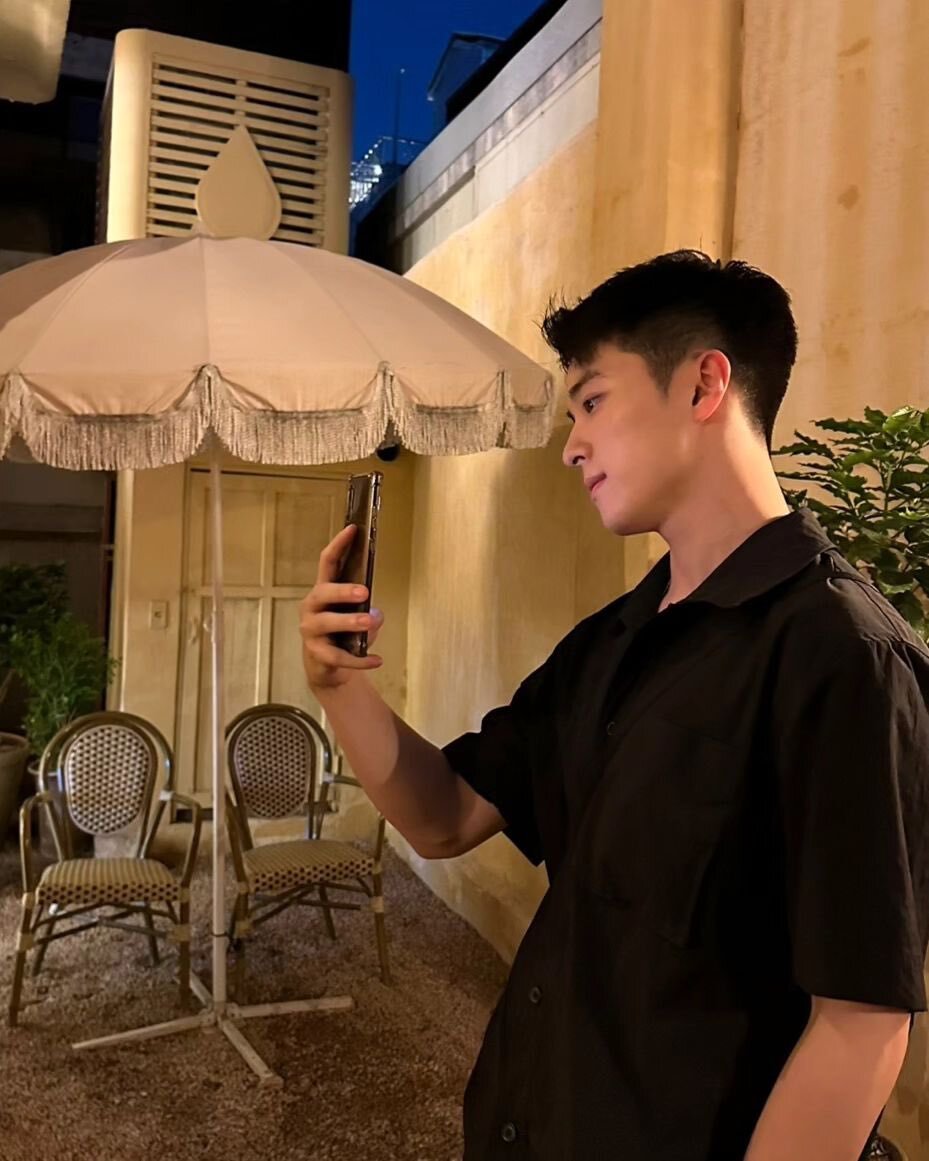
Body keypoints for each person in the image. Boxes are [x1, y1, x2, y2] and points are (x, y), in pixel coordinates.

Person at [299, 250, 929, 1161]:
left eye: (592, 401)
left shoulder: (841, 654)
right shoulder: (610, 640)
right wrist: (339, 686)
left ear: (704, 384)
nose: (572, 445)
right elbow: (446, 816)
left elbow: (861, 1022)